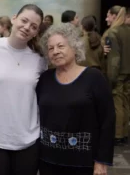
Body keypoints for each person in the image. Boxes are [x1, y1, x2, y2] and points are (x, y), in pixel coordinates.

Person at [0, 4, 46, 175]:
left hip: (28, 137)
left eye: (33, 26)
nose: (27, 27)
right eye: (24, 20)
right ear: (14, 18)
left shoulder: (40, 58)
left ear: (36, 32)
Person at [37, 23, 115, 175]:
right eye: (51, 48)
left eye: (61, 46)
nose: (56, 51)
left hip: (84, 164)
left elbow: (108, 120)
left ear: (74, 47)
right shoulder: (44, 79)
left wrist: (101, 161)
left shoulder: (94, 77)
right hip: (48, 161)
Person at [107, 12, 130, 145]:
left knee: (117, 103)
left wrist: (111, 77)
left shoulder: (113, 32)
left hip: (119, 73)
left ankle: (118, 134)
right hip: (128, 72)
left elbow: (114, 58)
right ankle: (125, 132)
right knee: (126, 102)